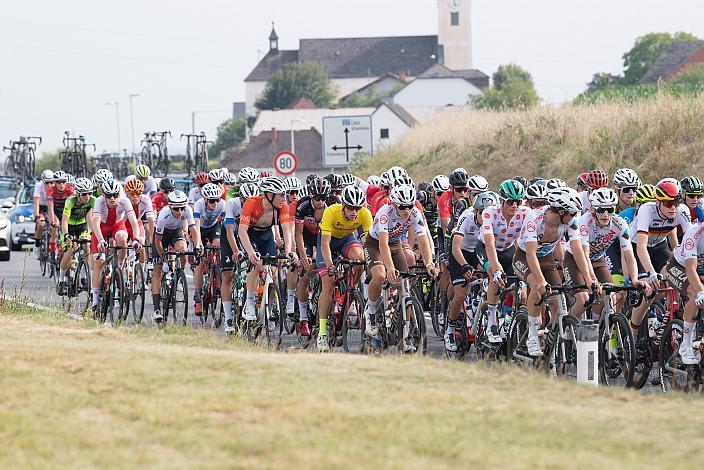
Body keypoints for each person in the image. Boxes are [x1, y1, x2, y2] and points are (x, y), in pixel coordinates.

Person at [512, 187, 588, 356]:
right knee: (536, 285)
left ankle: (549, 337)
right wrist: (540, 282)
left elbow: (577, 251)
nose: (575, 218)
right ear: (561, 212)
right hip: (524, 257)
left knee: (557, 299)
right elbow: (531, 253)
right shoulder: (535, 218)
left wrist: (589, 279)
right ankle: (532, 334)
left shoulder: (569, 222)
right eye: (573, 213)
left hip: (546, 259)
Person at [365, 184, 438, 352]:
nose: (407, 210)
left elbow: (423, 240)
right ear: (394, 204)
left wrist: (429, 263)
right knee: (380, 275)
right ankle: (370, 313)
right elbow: (382, 243)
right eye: (403, 206)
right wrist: (390, 267)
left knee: (405, 285)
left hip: (395, 244)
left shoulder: (414, 213)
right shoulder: (385, 213)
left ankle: (404, 332)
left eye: (410, 205)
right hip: (375, 244)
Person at [316, 185, 371, 351]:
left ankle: (351, 288)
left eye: (357, 208)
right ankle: (322, 333)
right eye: (350, 208)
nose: (354, 211)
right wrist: (330, 265)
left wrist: (371, 263)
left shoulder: (364, 213)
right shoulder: (331, 212)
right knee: (328, 284)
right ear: (343, 206)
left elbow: (368, 243)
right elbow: (325, 244)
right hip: (327, 241)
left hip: (346, 240)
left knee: (360, 258)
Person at [238, 177, 296, 322]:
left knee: (274, 274)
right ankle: (249, 303)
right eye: (281, 194)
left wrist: (289, 250)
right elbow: (242, 231)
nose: (284, 198)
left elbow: (287, 230)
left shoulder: (282, 206)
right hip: (250, 234)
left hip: (266, 235)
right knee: (257, 264)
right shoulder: (251, 203)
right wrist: (250, 252)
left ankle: (269, 310)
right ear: (270, 195)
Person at [444, 192, 497, 351]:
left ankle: (483, 312)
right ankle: (450, 329)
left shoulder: (494, 220)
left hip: (480, 252)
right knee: (460, 294)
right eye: (482, 213)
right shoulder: (466, 218)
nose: (485, 217)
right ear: (476, 211)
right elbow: (455, 247)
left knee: (490, 282)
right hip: (461, 253)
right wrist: (464, 266)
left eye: (489, 214)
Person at [480, 179, 531, 344]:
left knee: (521, 291)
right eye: (510, 202)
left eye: (518, 202)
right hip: (486, 248)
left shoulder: (525, 213)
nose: (514, 206)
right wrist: (495, 267)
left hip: (508, 249)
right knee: (497, 277)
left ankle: (509, 317)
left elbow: (527, 242)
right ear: (501, 201)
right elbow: (489, 243)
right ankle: (492, 324)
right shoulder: (489, 212)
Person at [90, 180, 144, 316]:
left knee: (122, 237)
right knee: (99, 262)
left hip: (117, 226)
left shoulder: (124, 201)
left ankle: (119, 267)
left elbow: (134, 222)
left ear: (119, 193)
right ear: (104, 195)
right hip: (101, 228)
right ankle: (95, 300)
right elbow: (95, 223)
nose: (112, 198)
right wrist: (101, 240)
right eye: (109, 196)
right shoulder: (98, 201)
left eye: (115, 195)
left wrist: (136, 238)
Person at [293, 177, 337, 336]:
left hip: (325, 236)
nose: (321, 201)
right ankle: (304, 318)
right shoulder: (303, 205)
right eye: (317, 198)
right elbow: (297, 234)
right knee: (305, 275)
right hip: (306, 236)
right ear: (311, 195)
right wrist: (303, 256)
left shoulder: (333, 202)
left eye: (324, 198)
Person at [151, 190, 203, 323]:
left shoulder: (187, 211)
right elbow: (157, 241)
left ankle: (177, 274)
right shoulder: (164, 215)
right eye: (176, 209)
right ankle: (157, 309)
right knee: (157, 270)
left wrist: (197, 246)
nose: (180, 211)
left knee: (183, 250)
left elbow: (193, 230)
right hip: (161, 237)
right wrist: (163, 258)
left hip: (175, 232)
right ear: (170, 207)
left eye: (182, 208)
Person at [220, 182, 259, 334]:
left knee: (255, 262)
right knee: (227, 275)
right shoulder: (232, 203)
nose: (249, 203)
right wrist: (235, 251)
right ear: (240, 198)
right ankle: (228, 318)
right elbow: (230, 231)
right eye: (246, 200)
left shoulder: (258, 205)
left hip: (246, 234)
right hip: (229, 235)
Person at [666, 223, 704, 364]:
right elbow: (690, 269)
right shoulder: (694, 234)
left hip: (700, 271)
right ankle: (685, 345)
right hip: (679, 267)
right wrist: (701, 291)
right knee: (695, 294)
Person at [57, 178, 96, 297]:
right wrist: (66, 235)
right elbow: (64, 220)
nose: (87, 196)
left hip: (82, 226)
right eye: (84, 194)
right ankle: (61, 280)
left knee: (87, 246)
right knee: (70, 250)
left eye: (90, 193)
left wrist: (94, 234)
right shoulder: (70, 200)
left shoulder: (93, 201)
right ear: (77, 193)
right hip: (68, 226)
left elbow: (92, 220)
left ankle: (84, 277)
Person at [192, 183, 226, 316]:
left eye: (217, 199)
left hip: (213, 228)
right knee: (200, 262)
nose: (215, 203)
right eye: (212, 201)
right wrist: (199, 244)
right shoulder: (199, 205)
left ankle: (216, 273)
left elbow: (225, 225)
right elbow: (196, 226)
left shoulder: (222, 204)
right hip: (199, 229)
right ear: (205, 199)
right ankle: (198, 296)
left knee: (218, 245)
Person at [124, 178, 155, 265]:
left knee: (141, 243)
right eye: (132, 193)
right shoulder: (123, 201)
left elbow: (151, 220)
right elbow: (119, 222)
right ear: (127, 194)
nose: (135, 196)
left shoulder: (146, 199)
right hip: (123, 225)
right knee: (121, 246)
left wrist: (152, 239)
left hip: (137, 223)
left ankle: (141, 270)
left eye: (138, 193)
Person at [46, 171, 75, 261]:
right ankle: (52, 252)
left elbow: (74, 206)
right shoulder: (51, 191)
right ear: (54, 183)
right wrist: (52, 222)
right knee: (56, 225)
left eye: (63, 182)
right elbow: (50, 209)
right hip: (55, 212)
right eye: (58, 182)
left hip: (66, 212)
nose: (61, 184)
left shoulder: (70, 190)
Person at [33, 169, 54, 259]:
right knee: (41, 224)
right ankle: (37, 246)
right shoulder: (38, 186)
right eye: (47, 183)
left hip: (51, 206)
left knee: (54, 225)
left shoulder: (55, 186)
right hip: (41, 206)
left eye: (51, 182)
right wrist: (37, 215)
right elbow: (36, 201)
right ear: (43, 181)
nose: (49, 185)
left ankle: (52, 247)